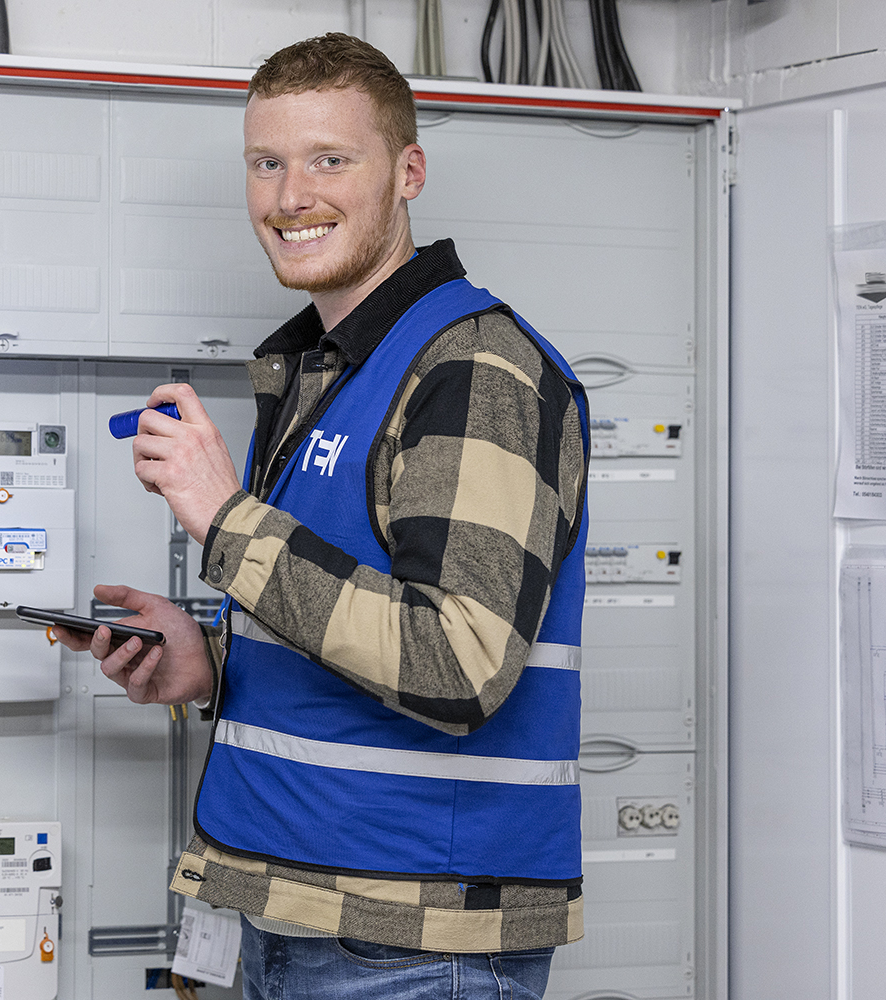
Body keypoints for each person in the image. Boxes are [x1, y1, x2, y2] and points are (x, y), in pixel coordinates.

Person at [56, 32, 589, 1000]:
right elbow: (353, 618)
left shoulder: (472, 370)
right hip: (296, 907)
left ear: (409, 171)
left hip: (415, 944)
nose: (291, 196)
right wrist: (211, 661)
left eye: (330, 160)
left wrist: (225, 518)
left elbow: (459, 662)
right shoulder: (329, 371)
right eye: (268, 163)